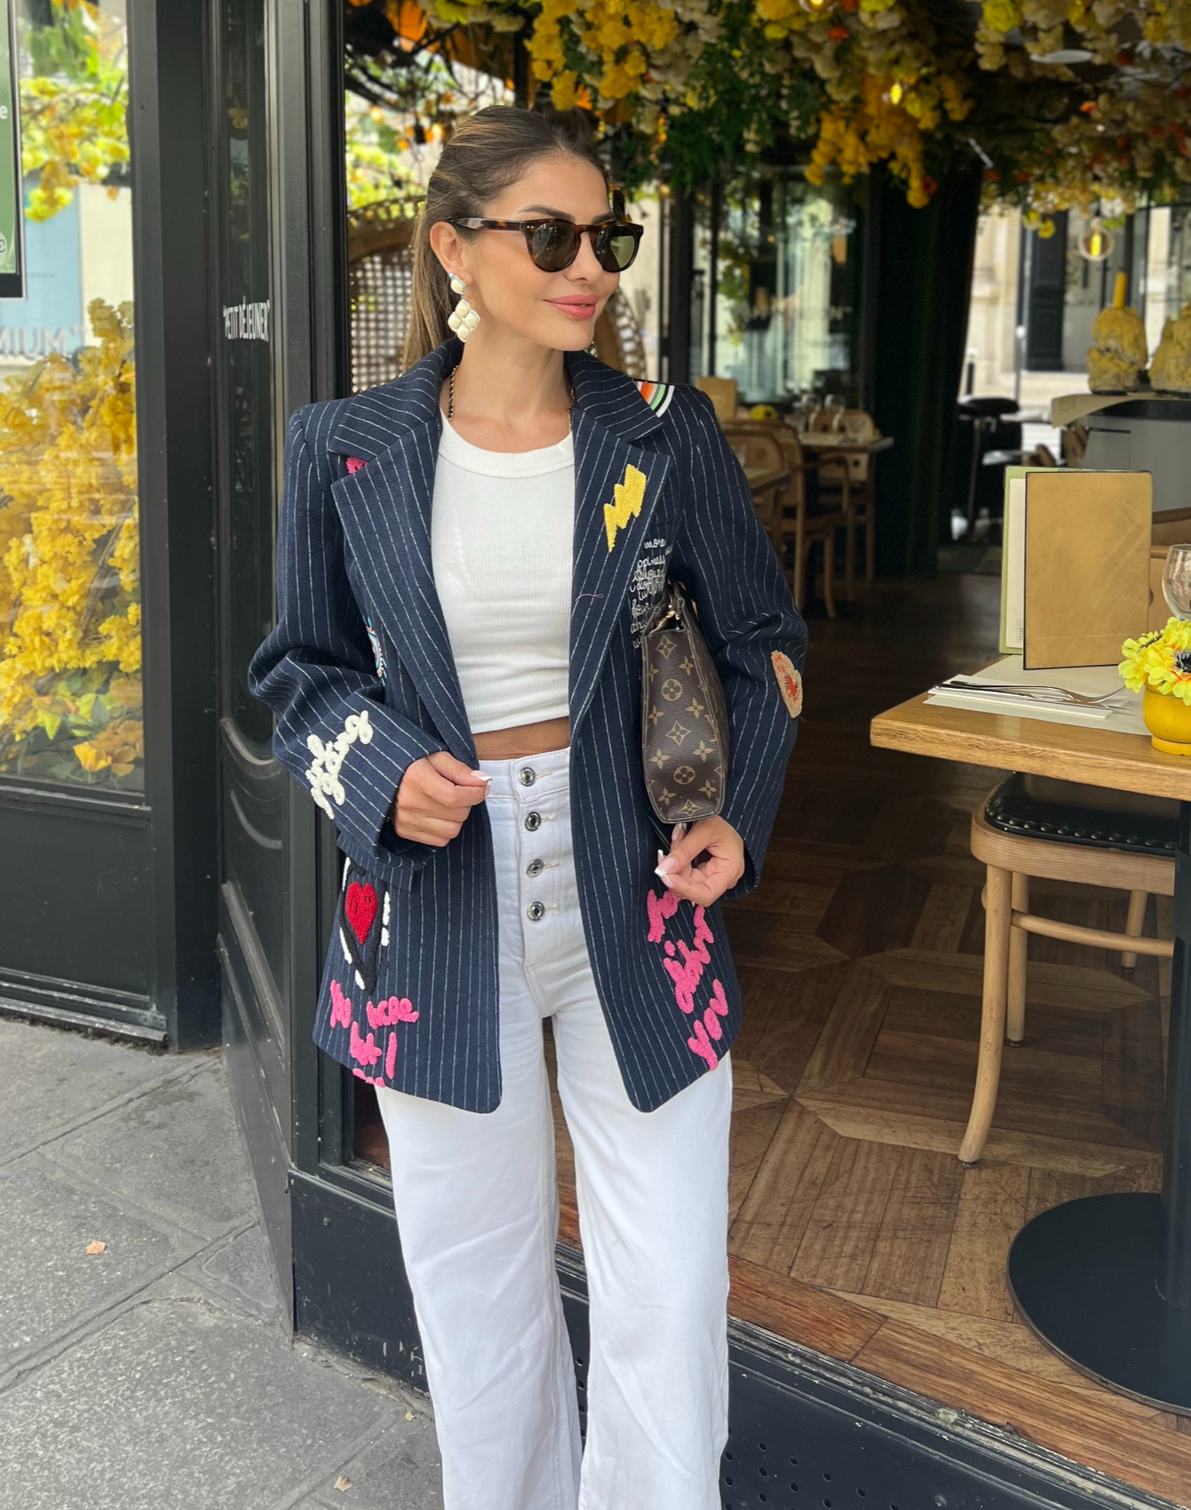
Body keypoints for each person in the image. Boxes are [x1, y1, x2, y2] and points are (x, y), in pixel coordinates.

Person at [249, 105, 807, 1510]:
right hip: (432, 910)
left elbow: (760, 642)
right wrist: (379, 774)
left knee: (671, 1291)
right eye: (551, 236)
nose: (591, 269)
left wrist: (736, 811)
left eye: (607, 239)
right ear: (456, 250)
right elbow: (298, 675)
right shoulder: (342, 445)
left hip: (643, 891)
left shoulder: (666, 437)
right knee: (476, 1295)